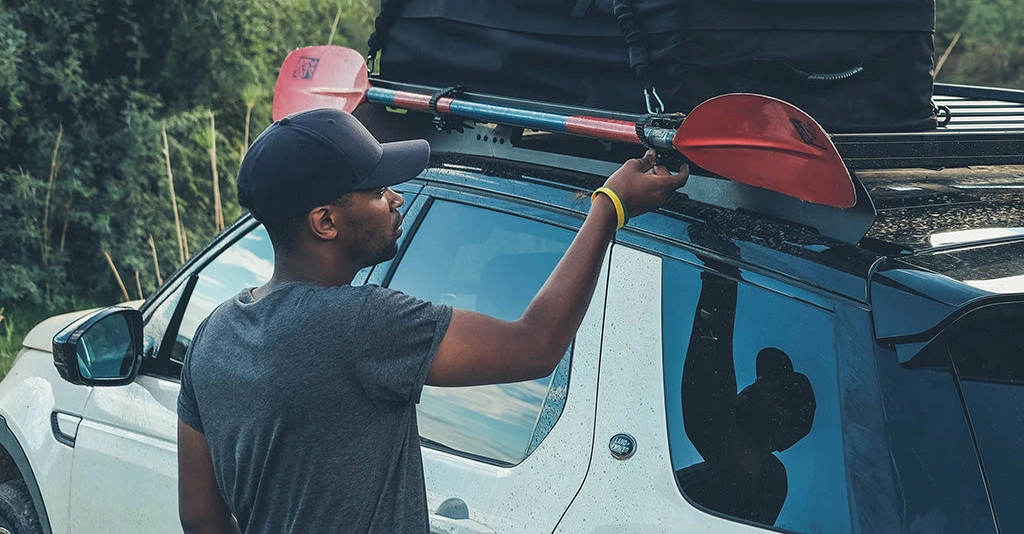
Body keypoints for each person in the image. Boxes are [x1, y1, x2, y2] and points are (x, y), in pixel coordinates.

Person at [177, 107, 688, 534]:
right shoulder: (361, 325)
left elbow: (201, 519)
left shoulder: (213, 335)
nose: (397, 198)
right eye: (378, 192)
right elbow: (536, 345)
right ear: (325, 222)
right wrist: (610, 206)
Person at [677, 263, 816, 526]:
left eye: (776, 392)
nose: (756, 387)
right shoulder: (725, 470)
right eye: (760, 380)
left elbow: (706, 415)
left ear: (784, 433)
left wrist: (721, 279)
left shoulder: (766, 475)